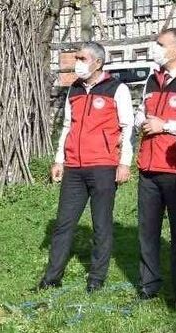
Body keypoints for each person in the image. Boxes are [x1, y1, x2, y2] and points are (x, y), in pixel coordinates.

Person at [39, 42, 134, 293]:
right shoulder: (75, 89)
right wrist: (60, 159)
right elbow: (67, 126)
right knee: (64, 223)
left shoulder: (117, 89)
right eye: (77, 58)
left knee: (101, 224)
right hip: (74, 167)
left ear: (98, 63)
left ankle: (96, 278)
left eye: (82, 58)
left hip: (103, 166)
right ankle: (51, 277)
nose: (77, 63)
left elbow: (127, 127)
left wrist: (124, 163)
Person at [135, 28, 176, 306]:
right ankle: (148, 285)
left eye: (161, 44)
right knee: (147, 231)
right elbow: (142, 111)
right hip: (148, 166)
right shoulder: (152, 79)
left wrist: (165, 126)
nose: (155, 48)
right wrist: (142, 121)